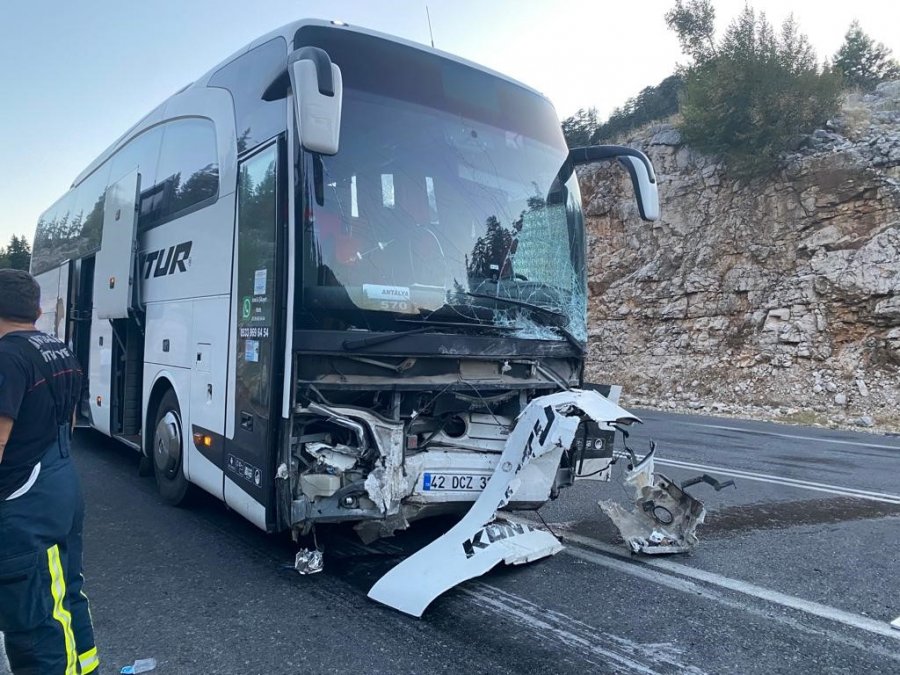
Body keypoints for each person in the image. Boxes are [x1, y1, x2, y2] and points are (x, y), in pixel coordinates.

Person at [0, 269, 98, 674]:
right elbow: (68, 422)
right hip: (60, 483)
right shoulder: (58, 349)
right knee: (67, 594)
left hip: (24, 502)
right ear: (36, 310)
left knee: (35, 620)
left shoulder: (7, 357)